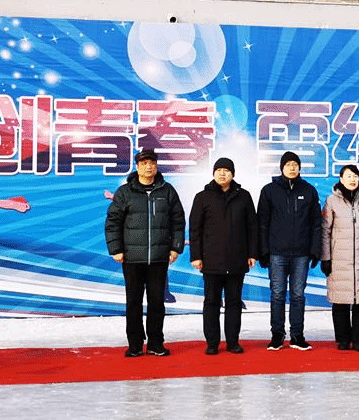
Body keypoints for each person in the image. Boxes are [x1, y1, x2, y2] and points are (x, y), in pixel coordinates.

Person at [105, 149, 185, 358]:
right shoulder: (125, 192)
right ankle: (134, 344)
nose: (148, 167)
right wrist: (116, 249)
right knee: (133, 302)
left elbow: (178, 221)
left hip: (159, 257)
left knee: (157, 302)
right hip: (132, 258)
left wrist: (175, 247)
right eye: (144, 163)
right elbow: (113, 222)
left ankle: (155, 343)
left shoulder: (167, 191)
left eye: (152, 163)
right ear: (137, 167)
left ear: (156, 166)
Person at [189, 157, 258, 355]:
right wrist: (196, 256)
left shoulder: (243, 196)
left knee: (234, 302)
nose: (222, 173)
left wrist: (252, 253)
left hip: (237, 259)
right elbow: (195, 229)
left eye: (226, 170)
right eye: (218, 170)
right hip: (211, 260)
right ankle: (212, 343)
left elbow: (252, 227)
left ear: (232, 174)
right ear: (213, 173)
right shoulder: (202, 197)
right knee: (211, 302)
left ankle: (233, 342)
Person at [257, 151, 322, 351]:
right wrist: (263, 251)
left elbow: (316, 224)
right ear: (281, 167)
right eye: (288, 165)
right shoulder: (269, 191)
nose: (292, 168)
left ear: (299, 167)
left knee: (298, 295)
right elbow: (262, 223)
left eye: (295, 164)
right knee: (277, 294)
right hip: (277, 253)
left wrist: (315, 250)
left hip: (301, 254)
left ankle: (297, 335)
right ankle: (277, 335)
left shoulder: (309, 190)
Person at [321, 164, 359, 352]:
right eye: (348, 176)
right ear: (341, 179)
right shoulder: (332, 201)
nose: (352, 179)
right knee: (340, 301)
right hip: (339, 259)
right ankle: (342, 339)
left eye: (355, 176)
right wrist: (326, 257)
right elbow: (325, 231)